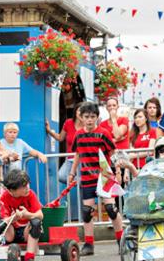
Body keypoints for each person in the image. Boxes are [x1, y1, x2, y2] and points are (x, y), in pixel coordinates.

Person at [67, 101, 123, 256]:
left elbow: (113, 152)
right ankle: (89, 244)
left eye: (92, 116)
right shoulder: (78, 135)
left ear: (97, 117)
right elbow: (77, 154)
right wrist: (72, 173)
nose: (90, 120)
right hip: (87, 177)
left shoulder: (103, 133)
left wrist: (117, 170)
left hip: (104, 176)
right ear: (81, 118)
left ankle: (121, 240)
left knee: (111, 209)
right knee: (87, 212)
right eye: (87, 117)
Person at [0, 169, 44, 261]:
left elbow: (40, 215)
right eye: (23, 186)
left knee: (36, 222)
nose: (27, 188)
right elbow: (4, 219)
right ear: (12, 190)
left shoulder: (30, 194)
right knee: (0, 224)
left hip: (27, 232)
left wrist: (27, 215)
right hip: (12, 233)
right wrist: (14, 217)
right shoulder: (4, 197)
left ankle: (29, 256)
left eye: (27, 184)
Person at [45, 103, 84, 184]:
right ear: (76, 111)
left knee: (82, 189)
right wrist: (49, 131)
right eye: (79, 110)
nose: (81, 113)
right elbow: (60, 138)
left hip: (83, 160)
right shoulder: (68, 122)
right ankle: (83, 182)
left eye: (84, 111)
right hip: (70, 159)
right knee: (61, 176)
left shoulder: (88, 125)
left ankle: (83, 183)